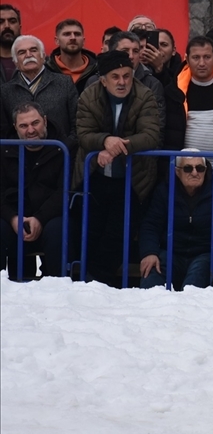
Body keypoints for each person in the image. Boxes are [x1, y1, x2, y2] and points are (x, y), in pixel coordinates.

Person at [74, 51, 161, 285]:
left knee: (118, 233)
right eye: (115, 77)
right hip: (95, 175)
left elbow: (151, 134)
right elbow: (83, 133)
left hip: (133, 179)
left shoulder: (145, 96)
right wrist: (104, 141)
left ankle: (99, 281)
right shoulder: (89, 95)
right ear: (103, 80)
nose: (122, 82)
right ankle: (81, 278)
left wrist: (116, 146)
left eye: (126, 76)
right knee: (88, 229)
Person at [138, 150, 213, 291]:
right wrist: (149, 252)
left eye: (200, 168)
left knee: (192, 288)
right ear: (177, 172)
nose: (195, 173)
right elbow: (151, 224)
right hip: (170, 252)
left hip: (205, 253)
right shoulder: (164, 190)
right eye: (188, 168)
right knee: (150, 283)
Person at [0, 102, 66, 278]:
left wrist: (40, 218)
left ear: (45, 120)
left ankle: (57, 289)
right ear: (15, 128)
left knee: (59, 230)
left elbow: (64, 192)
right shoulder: (4, 148)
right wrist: (13, 218)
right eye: (23, 125)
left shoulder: (64, 147)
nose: (30, 130)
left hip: (49, 217)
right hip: (13, 217)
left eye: (35, 123)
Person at [1, 35, 79, 153]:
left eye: (33, 50)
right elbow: (4, 130)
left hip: (60, 157)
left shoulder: (64, 83)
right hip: (21, 161)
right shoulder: (5, 91)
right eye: (22, 52)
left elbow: (77, 122)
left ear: (43, 56)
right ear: (15, 61)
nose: (28, 55)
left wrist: (65, 148)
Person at [45, 19, 98, 94]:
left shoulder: (98, 71)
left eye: (77, 34)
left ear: (83, 41)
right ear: (57, 40)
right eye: (67, 34)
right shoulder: (45, 71)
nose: (73, 37)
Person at [0, 4, 23, 84]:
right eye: (1, 22)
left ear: (20, 27)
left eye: (12, 21)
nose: (7, 26)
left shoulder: (40, 63)